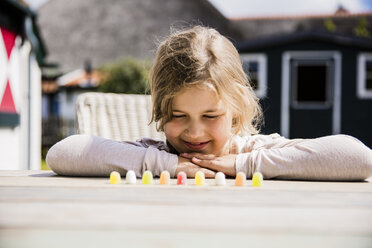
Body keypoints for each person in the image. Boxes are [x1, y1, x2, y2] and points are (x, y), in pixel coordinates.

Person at [46, 26, 372, 181]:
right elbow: (61, 153)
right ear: (161, 111)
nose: (194, 130)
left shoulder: (254, 151)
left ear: (236, 110)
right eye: (177, 115)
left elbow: (359, 158)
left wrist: (245, 166)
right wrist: (170, 166)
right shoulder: (153, 155)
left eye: (211, 114)